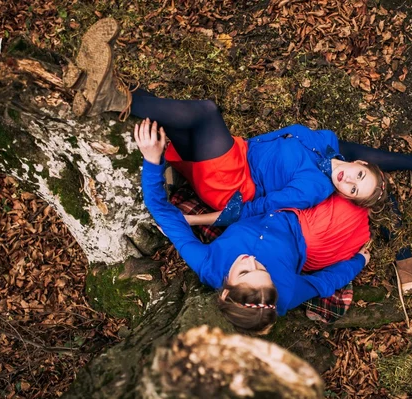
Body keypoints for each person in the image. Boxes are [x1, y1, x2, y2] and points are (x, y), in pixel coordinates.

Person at [64, 18, 412, 228]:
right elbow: (352, 148)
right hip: (233, 151)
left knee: (205, 111)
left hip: (233, 183)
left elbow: (260, 208)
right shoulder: (326, 143)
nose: (350, 181)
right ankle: (84, 86)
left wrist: (196, 219)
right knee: (173, 117)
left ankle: (110, 96)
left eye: (354, 191)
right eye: (360, 175)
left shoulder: (314, 188)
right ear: (358, 165)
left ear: (348, 199)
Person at [135, 118, 371, 333]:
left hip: (265, 203)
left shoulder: (207, 264)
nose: (251, 260)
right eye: (264, 270)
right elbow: (323, 283)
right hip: (307, 227)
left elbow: (161, 211)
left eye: (245, 272)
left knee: (335, 170)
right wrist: (358, 262)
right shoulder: (286, 293)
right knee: (353, 196)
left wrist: (152, 161)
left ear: (226, 290)